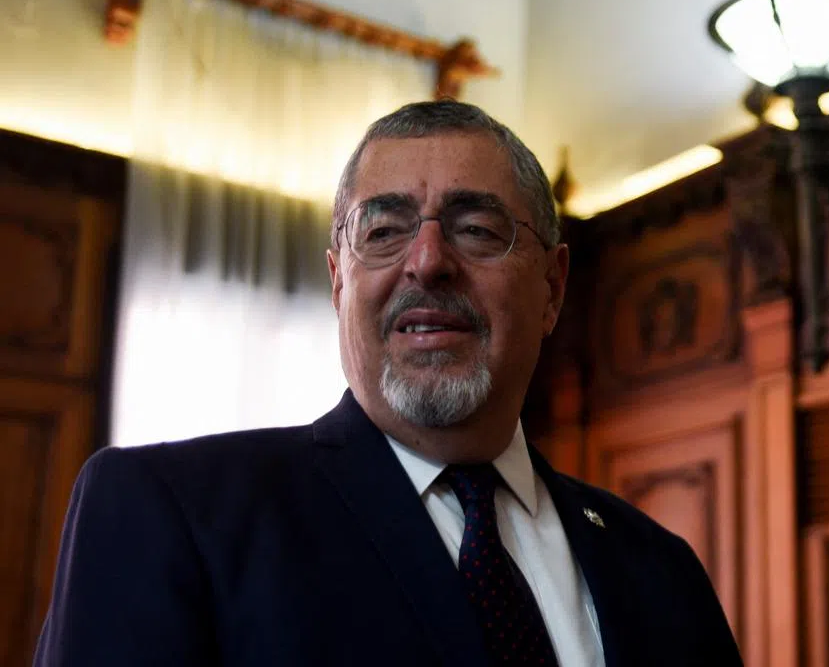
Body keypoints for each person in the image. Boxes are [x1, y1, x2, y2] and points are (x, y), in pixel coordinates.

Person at [34, 101, 743, 666]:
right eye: (383, 232)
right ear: (339, 279)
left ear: (553, 287)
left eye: (475, 228)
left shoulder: (659, 568)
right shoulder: (170, 514)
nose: (428, 261)